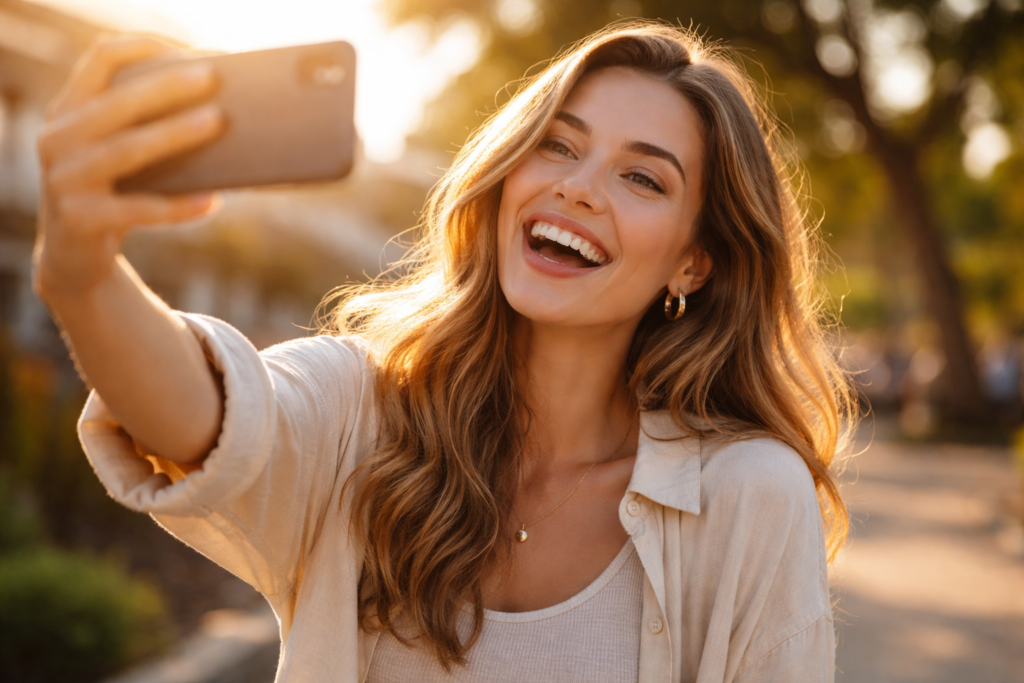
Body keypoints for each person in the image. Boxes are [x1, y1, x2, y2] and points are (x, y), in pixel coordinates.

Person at [34, 20, 857, 683]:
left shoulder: (749, 498)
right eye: (558, 145)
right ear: (507, 174)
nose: (577, 186)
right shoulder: (364, 410)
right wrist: (82, 272)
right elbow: (204, 416)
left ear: (693, 260)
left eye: (643, 179)